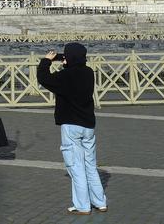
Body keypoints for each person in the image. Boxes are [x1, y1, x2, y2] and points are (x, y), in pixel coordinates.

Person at [38, 43, 107, 215]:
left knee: (76, 167)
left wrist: (46, 60)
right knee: (90, 165)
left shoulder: (65, 76)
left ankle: (83, 206)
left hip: (71, 125)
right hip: (88, 125)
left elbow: (43, 78)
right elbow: (75, 65)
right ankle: (100, 202)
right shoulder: (88, 72)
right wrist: (64, 59)